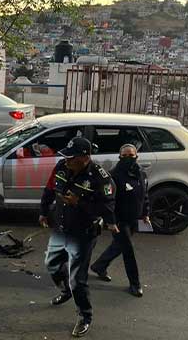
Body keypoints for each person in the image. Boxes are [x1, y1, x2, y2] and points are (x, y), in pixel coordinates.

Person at [39, 137, 118, 338]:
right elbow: (49, 189)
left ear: (84, 158)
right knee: (52, 264)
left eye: (71, 157)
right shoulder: (62, 166)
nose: (66, 160)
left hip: (83, 233)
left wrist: (79, 203)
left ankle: (85, 316)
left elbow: (107, 207)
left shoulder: (100, 178)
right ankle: (65, 291)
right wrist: (43, 211)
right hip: (61, 225)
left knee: (78, 279)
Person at [91, 144, 150, 298]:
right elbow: (107, 200)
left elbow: (144, 196)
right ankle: (135, 284)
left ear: (136, 156)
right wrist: (110, 221)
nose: (128, 158)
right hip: (119, 221)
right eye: (125, 155)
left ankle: (99, 266)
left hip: (133, 219)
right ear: (120, 157)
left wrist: (145, 213)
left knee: (118, 246)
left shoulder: (141, 174)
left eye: (131, 155)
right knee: (128, 251)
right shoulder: (113, 176)